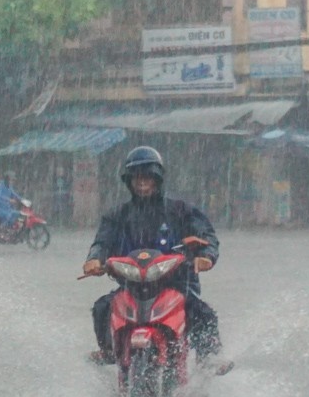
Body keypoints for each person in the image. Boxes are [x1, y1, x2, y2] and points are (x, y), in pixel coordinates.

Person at [81, 146, 228, 371]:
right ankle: (109, 350)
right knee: (102, 307)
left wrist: (206, 256)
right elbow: (102, 242)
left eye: (147, 177)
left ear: (157, 179)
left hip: (176, 282)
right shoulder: (117, 215)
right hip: (132, 285)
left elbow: (206, 236)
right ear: (129, 181)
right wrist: (94, 259)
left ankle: (209, 356)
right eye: (137, 178)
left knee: (201, 311)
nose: (142, 182)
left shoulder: (181, 210)